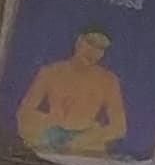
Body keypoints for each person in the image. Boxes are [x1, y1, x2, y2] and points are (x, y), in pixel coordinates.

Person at [15, 25, 131, 156]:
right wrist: (44, 132)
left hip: (86, 144)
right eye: (91, 43)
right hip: (49, 138)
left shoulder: (108, 80)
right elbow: (24, 113)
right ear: (79, 41)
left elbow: (119, 127)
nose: (93, 51)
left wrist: (90, 137)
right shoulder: (50, 72)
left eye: (100, 48)